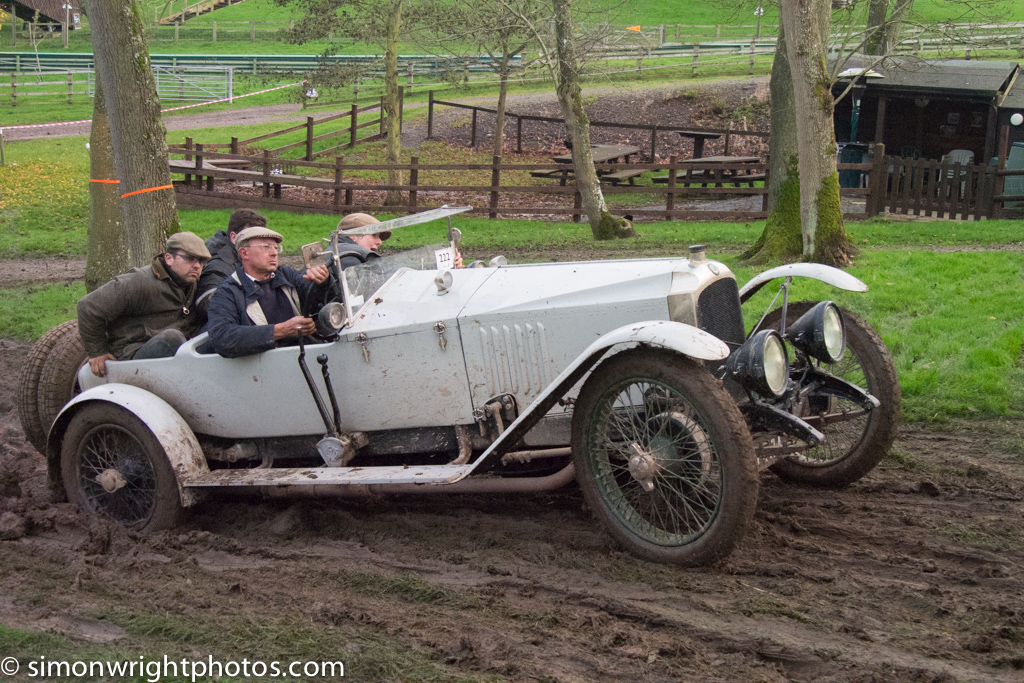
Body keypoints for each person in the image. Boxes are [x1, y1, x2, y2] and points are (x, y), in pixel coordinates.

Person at [77, 232, 211, 377]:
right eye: (190, 259)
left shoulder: (194, 283)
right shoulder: (139, 282)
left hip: (180, 352)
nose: (197, 266)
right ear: (169, 258)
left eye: (201, 261)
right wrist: (98, 352)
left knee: (216, 329)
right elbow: (88, 306)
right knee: (172, 339)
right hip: (134, 353)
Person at [206, 226, 331, 358]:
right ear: (244, 253)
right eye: (266, 247)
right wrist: (280, 331)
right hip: (261, 370)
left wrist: (323, 282)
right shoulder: (228, 292)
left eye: (276, 247)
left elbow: (318, 304)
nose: (274, 253)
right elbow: (222, 337)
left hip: (305, 357)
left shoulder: (287, 275)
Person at [196, 208, 267, 314]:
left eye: (261, 239)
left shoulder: (242, 258)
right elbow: (211, 303)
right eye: (252, 238)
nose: (259, 245)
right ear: (234, 237)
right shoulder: (218, 265)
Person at [335, 213, 462, 269]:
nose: (379, 241)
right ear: (352, 235)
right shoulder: (346, 256)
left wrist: (447, 264)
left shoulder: (350, 255)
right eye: (374, 235)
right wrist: (435, 264)